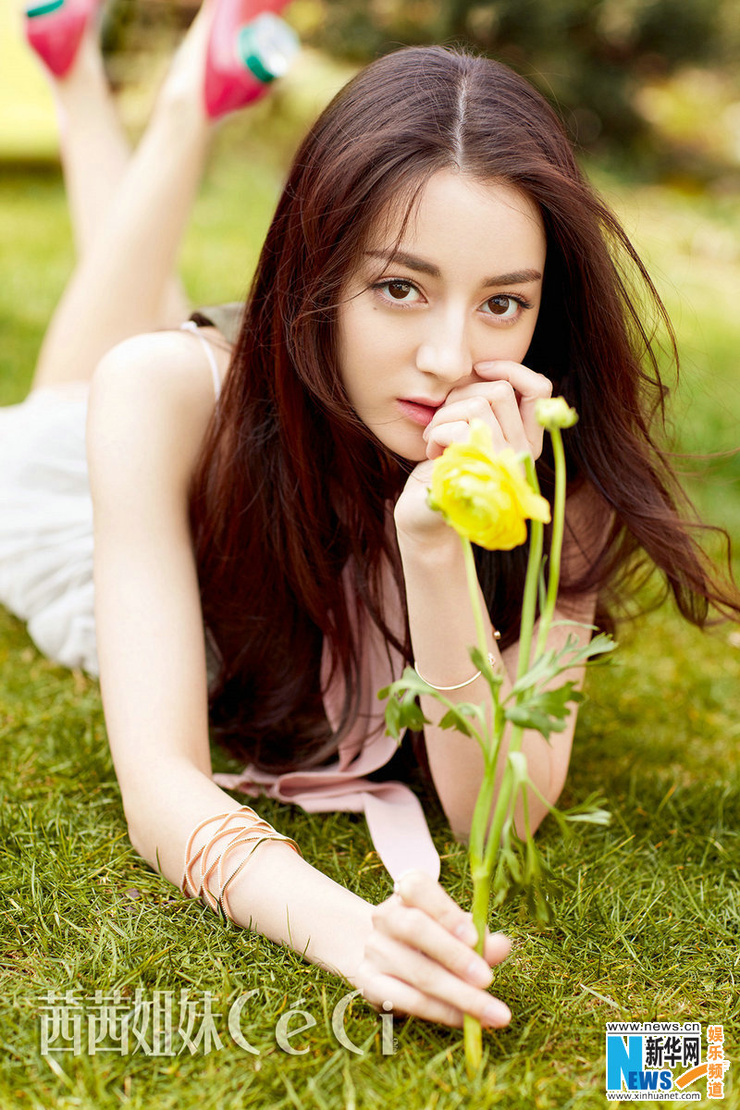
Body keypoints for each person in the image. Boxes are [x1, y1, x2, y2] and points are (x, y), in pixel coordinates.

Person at [3, 0, 738, 1034]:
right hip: (83, 488)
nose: (447, 360)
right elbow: (160, 784)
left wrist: (435, 548)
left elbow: (501, 814)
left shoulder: (551, 455)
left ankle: (95, 67)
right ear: (321, 273)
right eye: (399, 287)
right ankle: (174, 108)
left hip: (249, 410)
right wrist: (350, 932)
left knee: (142, 339)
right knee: (106, 373)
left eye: (501, 303)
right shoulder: (159, 400)